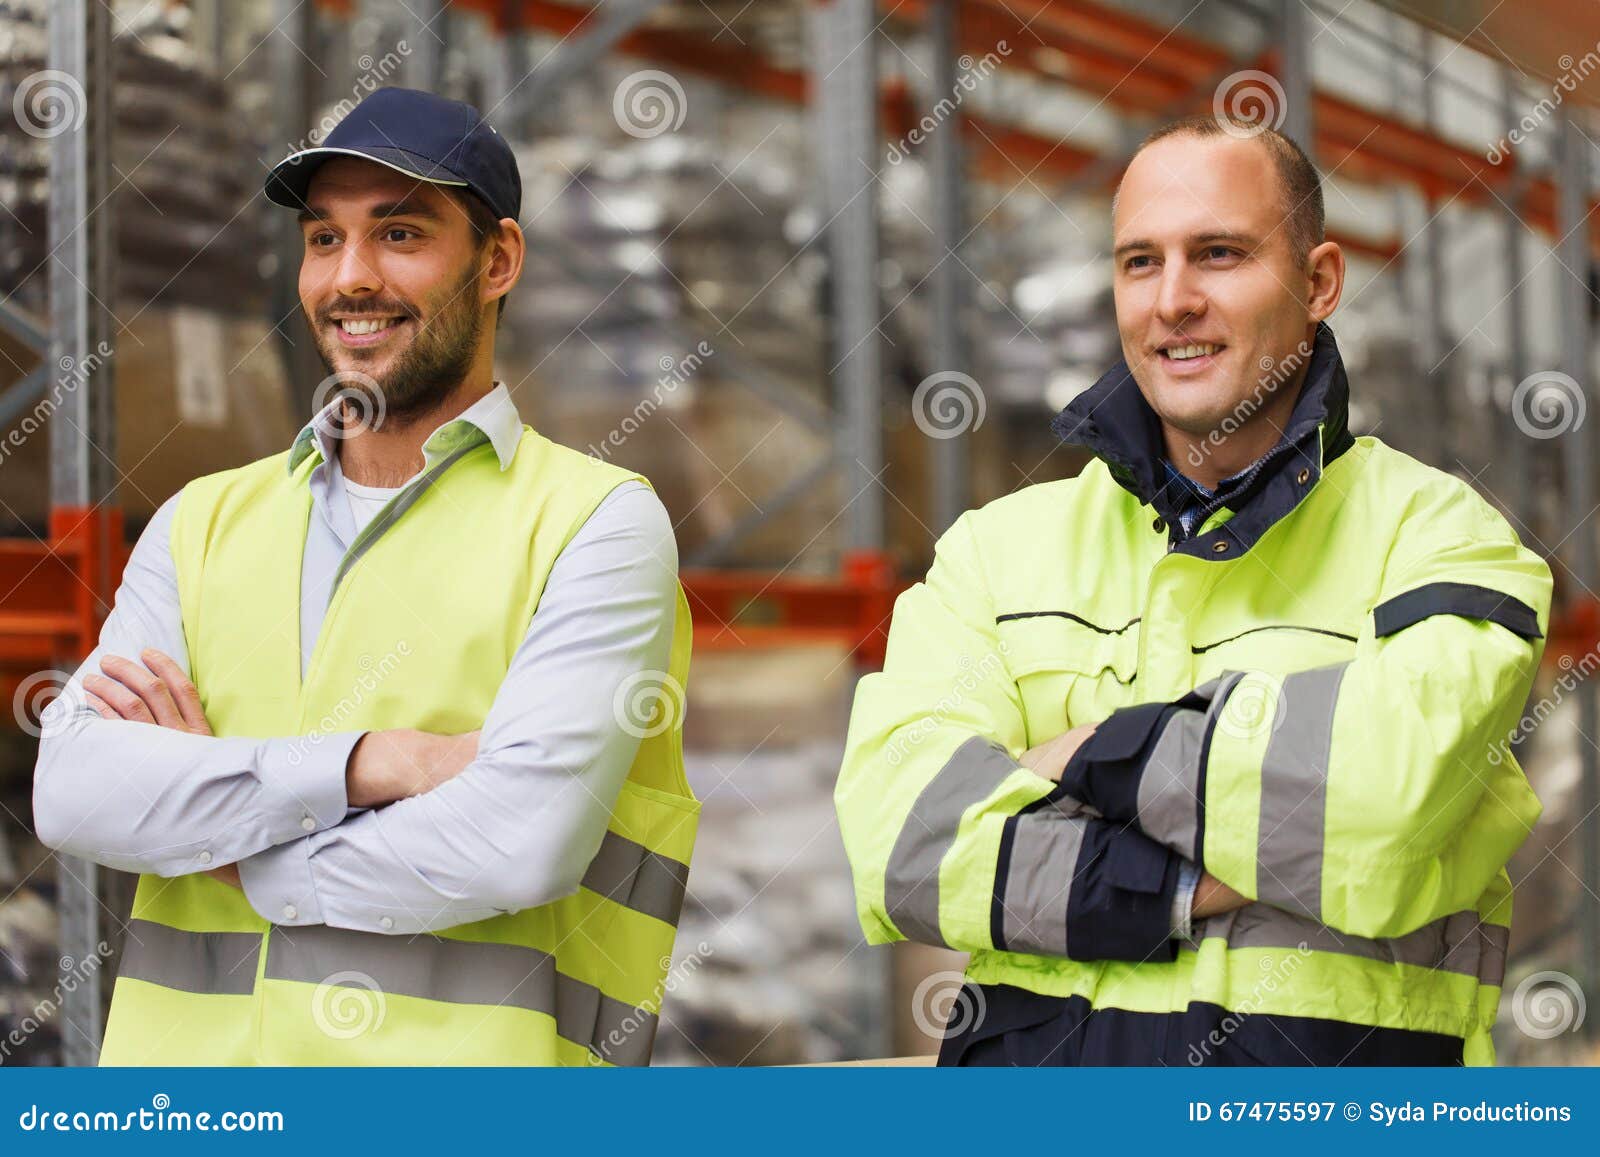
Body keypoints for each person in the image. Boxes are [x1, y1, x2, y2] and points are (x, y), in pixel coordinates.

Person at [835, 114, 1550, 1066]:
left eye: (1218, 254)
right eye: (1140, 262)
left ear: (1320, 281)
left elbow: (1381, 805)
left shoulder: (1440, 541)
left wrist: (1086, 752)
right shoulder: (995, 552)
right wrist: (1198, 877)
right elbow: (904, 843)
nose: (1172, 300)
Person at [32, 87, 698, 1067]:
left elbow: (520, 840)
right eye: (322, 239)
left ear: (498, 260)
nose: (350, 277)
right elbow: (76, 791)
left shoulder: (594, 523)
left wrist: (221, 840)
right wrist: (375, 762)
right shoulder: (202, 521)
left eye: (398, 233)